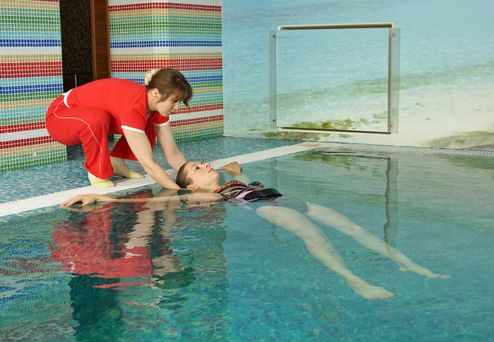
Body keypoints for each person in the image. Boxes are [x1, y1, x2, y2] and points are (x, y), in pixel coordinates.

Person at [61, 161, 449, 300]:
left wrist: (235, 173)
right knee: (316, 237)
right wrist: (101, 200)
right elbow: (160, 202)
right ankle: (355, 281)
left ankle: (410, 265)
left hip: (287, 198)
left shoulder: (225, 181)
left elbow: (248, 181)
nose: (203, 167)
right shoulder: (203, 197)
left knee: (354, 229)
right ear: (193, 185)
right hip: (269, 209)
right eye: (196, 169)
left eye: (200, 163)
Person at [46, 68, 191, 189]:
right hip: (59, 117)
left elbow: (172, 152)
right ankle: (97, 172)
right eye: (174, 101)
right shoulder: (133, 106)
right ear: (156, 93)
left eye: (180, 102)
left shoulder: (155, 106)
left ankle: (116, 161)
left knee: (148, 118)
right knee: (97, 117)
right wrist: (178, 192)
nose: (177, 108)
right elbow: (148, 164)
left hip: (89, 118)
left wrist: (193, 179)